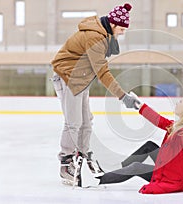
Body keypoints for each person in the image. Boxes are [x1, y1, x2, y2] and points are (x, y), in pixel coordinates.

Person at [50, 3, 139, 187]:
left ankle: (83, 153)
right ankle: (66, 163)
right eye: (122, 28)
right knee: (73, 122)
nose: (123, 32)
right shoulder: (95, 37)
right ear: (113, 24)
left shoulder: (103, 34)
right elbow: (103, 72)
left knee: (86, 121)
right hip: (68, 75)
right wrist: (123, 96)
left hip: (80, 77)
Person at [95, 94, 183, 195]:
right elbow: (159, 120)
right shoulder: (177, 127)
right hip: (176, 169)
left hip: (175, 179)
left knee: (136, 167)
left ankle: (98, 180)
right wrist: (140, 106)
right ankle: (118, 169)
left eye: (181, 102)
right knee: (149, 146)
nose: (177, 103)